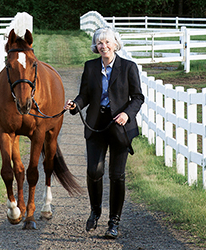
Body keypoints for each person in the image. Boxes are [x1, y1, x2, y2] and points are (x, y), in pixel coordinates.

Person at [64, 27, 144, 239]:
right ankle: (95, 210)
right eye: (99, 43)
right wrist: (75, 105)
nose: (103, 46)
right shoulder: (90, 67)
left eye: (107, 42)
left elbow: (138, 98)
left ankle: (113, 222)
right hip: (96, 125)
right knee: (94, 171)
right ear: (95, 46)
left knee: (117, 176)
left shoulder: (128, 67)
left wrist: (127, 114)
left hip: (120, 127)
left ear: (115, 44)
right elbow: (85, 95)